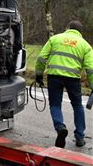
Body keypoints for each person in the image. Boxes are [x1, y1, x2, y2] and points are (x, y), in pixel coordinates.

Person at [35, 20, 93, 148]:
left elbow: (41, 58)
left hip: (54, 76)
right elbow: (90, 69)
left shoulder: (55, 39)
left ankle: (60, 127)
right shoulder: (85, 45)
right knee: (77, 106)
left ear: (67, 28)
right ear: (80, 32)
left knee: (55, 104)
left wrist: (39, 75)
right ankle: (79, 137)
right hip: (73, 79)